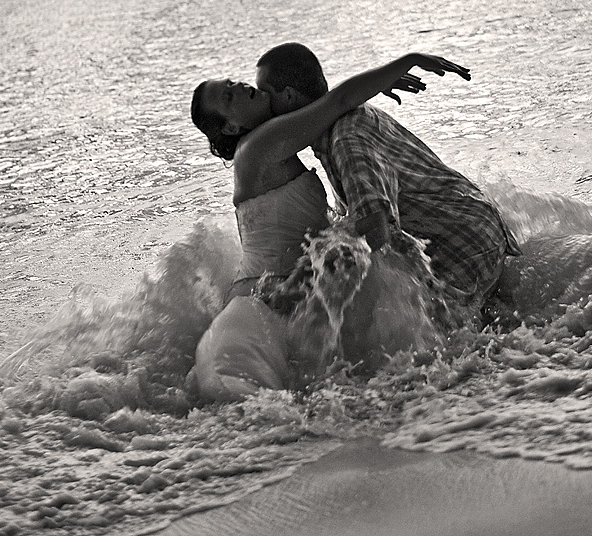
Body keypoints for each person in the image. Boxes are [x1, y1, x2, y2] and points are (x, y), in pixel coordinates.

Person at [189, 51, 462, 400]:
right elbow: (337, 101)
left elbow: (332, 106)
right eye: (230, 96)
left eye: (233, 83)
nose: (241, 88)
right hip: (264, 303)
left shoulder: (269, 146)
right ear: (229, 126)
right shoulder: (258, 146)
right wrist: (406, 61)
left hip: (284, 296)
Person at [255, 43, 521, 305]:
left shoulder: (345, 141)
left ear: (288, 96)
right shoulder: (348, 116)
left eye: (264, 93)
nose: (261, 104)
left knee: (457, 341)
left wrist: (300, 287)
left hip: (462, 243)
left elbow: (376, 229)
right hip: (476, 224)